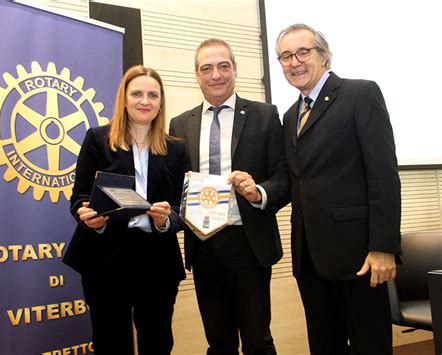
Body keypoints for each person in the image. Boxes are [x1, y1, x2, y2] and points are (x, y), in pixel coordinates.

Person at [275, 23, 402, 354]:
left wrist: (384, 246)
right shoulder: (290, 116)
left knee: (369, 345)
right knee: (324, 346)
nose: (294, 62)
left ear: (324, 55)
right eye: (285, 56)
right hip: (310, 258)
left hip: (359, 257)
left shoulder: (361, 94)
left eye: (303, 52)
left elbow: (383, 174)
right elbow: (296, 181)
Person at [169, 38, 289, 355]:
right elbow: (174, 188)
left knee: (257, 340)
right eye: (206, 68)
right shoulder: (179, 124)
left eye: (224, 66)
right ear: (197, 74)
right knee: (218, 342)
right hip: (203, 244)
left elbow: (283, 178)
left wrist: (258, 191)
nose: (216, 75)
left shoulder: (265, 115)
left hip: (248, 243)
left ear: (235, 69)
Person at [63, 65, 188, 355]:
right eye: (137, 94)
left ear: (160, 103)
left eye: (152, 95)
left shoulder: (177, 149)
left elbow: (184, 206)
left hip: (157, 262)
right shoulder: (97, 139)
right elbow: (79, 197)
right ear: (124, 99)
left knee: (157, 344)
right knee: (111, 344)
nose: (145, 101)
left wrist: (165, 220)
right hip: (105, 260)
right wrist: (93, 220)